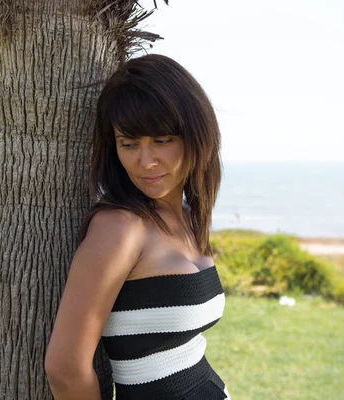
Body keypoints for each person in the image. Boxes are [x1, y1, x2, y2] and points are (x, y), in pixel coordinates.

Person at [44, 54, 230, 400]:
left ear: (196, 135)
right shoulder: (120, 229)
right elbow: (65, 368)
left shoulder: (190, 217)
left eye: (162, 141)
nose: (145, 162)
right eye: (128, 144)